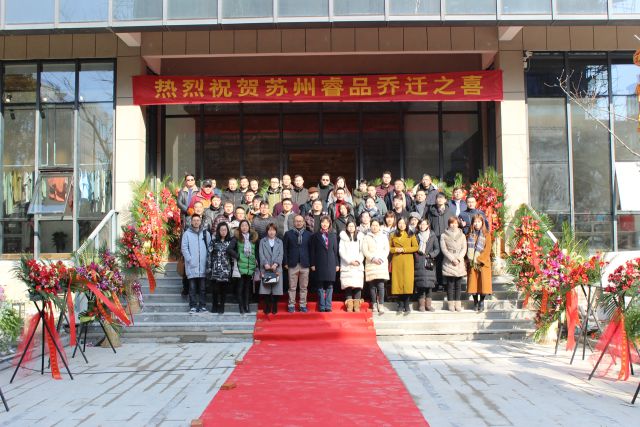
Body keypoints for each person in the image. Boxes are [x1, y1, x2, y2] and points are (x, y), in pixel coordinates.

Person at [227, 220, 259, 315]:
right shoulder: (236, 238)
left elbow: (256, 251)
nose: (244, 227)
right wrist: (238, 256)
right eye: (242, 226)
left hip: (250, 265)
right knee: (240, 287)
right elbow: (229, 249)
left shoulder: (253, 238)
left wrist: (256, 259)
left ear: (249, 227)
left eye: (246, 226)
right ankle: (241, 306)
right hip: (240, 265)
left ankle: (247, 305)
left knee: (248, 287)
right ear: (240, 228)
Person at [283, 215, 312, 313]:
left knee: (304, 287)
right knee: (292, 287)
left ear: (303, 222)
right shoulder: (288, 234)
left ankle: (303, 305)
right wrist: (285, 262)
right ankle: (291, 304)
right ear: (293, 222)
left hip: (305, 264)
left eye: (300, 221)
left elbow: (311, 250)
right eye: (296, 221)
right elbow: (284, 249)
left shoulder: (308, 234)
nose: (298, 223)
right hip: (292, 264)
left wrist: (311, 263)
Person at [310, 216, 340, 312]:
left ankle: (328, 306)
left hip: (331, 263)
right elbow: (312, 251)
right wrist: (312, 264)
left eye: (327, 222)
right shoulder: (315, 236)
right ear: (320, 223)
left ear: (329, 224)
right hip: (319, 263)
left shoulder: (333, 236)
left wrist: (337, 264)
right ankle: (322, 306)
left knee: (330, 285)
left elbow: (335, 251)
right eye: (323, 222)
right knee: (320, 285)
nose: (325, 224)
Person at [181, 213, 209, 313]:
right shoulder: (187, 234)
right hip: (191, 265)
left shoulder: (205, 233)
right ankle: (192, 306)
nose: (196, 222)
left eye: (198, 220)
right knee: (192, 288)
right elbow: (184, 248)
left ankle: (202, 306)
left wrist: (207, 259)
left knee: (202, 288)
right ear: (191, 222)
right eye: (194, 220)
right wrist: (190, 259)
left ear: (200, 221)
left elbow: (209, 247)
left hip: (203, 265)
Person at [389, 217, 419, 313]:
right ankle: (400, 304)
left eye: (403, 223)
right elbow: (389, 248)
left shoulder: (411, 234)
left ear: (406, 224)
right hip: (397, 260)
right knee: (398, 282)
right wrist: (395, 249)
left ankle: (406, 304)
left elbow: (416, 247)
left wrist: (404, 249)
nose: (401, 225)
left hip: (407, 261)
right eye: (400, 223)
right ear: (397, 224)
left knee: (407, 282)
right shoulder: (393, 234)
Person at [427, 192, 455, 289]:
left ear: (445, 200)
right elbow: (428, 226)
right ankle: (437, 282)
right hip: (435, 239)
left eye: (442, 198)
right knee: (437, 261)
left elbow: (453, 225)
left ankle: (446, 282)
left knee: (446, 260)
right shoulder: (431, 212)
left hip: (447, 240)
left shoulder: (450, 212)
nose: (439, 199)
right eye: (438, 198)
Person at [440, 216, 467, 312]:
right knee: (450, 285)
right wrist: (452, 259)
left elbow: (464, 248)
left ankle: (458, 303)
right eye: (452, 223)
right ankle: (451, 304)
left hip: (459, 262)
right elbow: (444, 249)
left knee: (458, 285)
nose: (453, 225)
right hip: (449, 262)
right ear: (449, 224)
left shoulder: (462, 235)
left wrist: (458, 259)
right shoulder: (444, 235)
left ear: (458, 224)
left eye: (455, 223)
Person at [362, 219, 389, 313]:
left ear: (379, 227)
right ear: (370, 226)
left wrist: (381, 259)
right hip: (371, 263)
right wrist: (372, 258)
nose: (374, 227)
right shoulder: (366, 237)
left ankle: (381, 304)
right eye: (373, 225)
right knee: (372, 286)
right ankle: (373, 303)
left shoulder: (384, 237)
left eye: (376, 225)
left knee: (381, 285)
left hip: (381, 263)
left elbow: (386, 249)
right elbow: (365, 250)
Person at [466, 214, 492, 312]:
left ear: (482, 223)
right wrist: (470, 259)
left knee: (483, 284)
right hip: (472, 262)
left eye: (479, 222)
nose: (477, 224)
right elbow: (467, 248)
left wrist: (479, 259)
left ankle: (481, 301)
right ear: (472, 223)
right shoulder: (469, 235)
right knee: (473, 284)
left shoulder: (487, 234)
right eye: (475, 222)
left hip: (483, 262)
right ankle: (475, 301)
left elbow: (487, 249)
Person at [414, 219, 440, 312]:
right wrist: (417, 255)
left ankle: (428, 305)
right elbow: (413, 248)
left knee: (429, 285)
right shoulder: (415, 235)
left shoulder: (432, 235)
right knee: (420, 284)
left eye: (424, 224)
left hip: (429, 262)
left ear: (428, 225)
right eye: (421, 224)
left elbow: (437, 249)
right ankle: (421, 305)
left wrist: (430, 255)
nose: (422, 226)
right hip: (419, 262)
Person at [339, 221, 365, 312]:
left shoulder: (360, 237)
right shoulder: (343, 237)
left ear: (355, 227)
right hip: (347, 264)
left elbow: (362, 250)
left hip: (357, 264)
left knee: (357, 285)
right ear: (346, 227)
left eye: (352, 226)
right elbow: (341, 251)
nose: (351, 228)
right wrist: (349, 261)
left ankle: (357, 305)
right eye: (349, 226)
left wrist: (358, 261)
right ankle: (349, 305)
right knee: (348, 284)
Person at [258, 223, 284, 315]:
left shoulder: (280, 242)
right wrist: (265, 263)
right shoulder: (263, 241)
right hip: (266, 268)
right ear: (267, 231)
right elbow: (261, 254)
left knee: (276, 288)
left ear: (276, 231)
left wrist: (276, 264)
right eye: (269, 230)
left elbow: (281, 254)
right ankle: (267, 306)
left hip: (276, 268)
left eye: (273, 230)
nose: (271, 232)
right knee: (266, 288)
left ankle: (275, 305)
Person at [207, 222, 232, 314]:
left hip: (225, 269)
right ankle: (214, 305)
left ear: (227, 231)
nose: (223, 231)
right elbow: (209, 255)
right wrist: (209, 267)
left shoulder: (230, 242)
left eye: (225, 230)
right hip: (215, 269)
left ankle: (222, 306)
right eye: (221, 230)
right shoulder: (214, 242)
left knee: (223, 290)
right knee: (215, 289)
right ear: (218, 231)